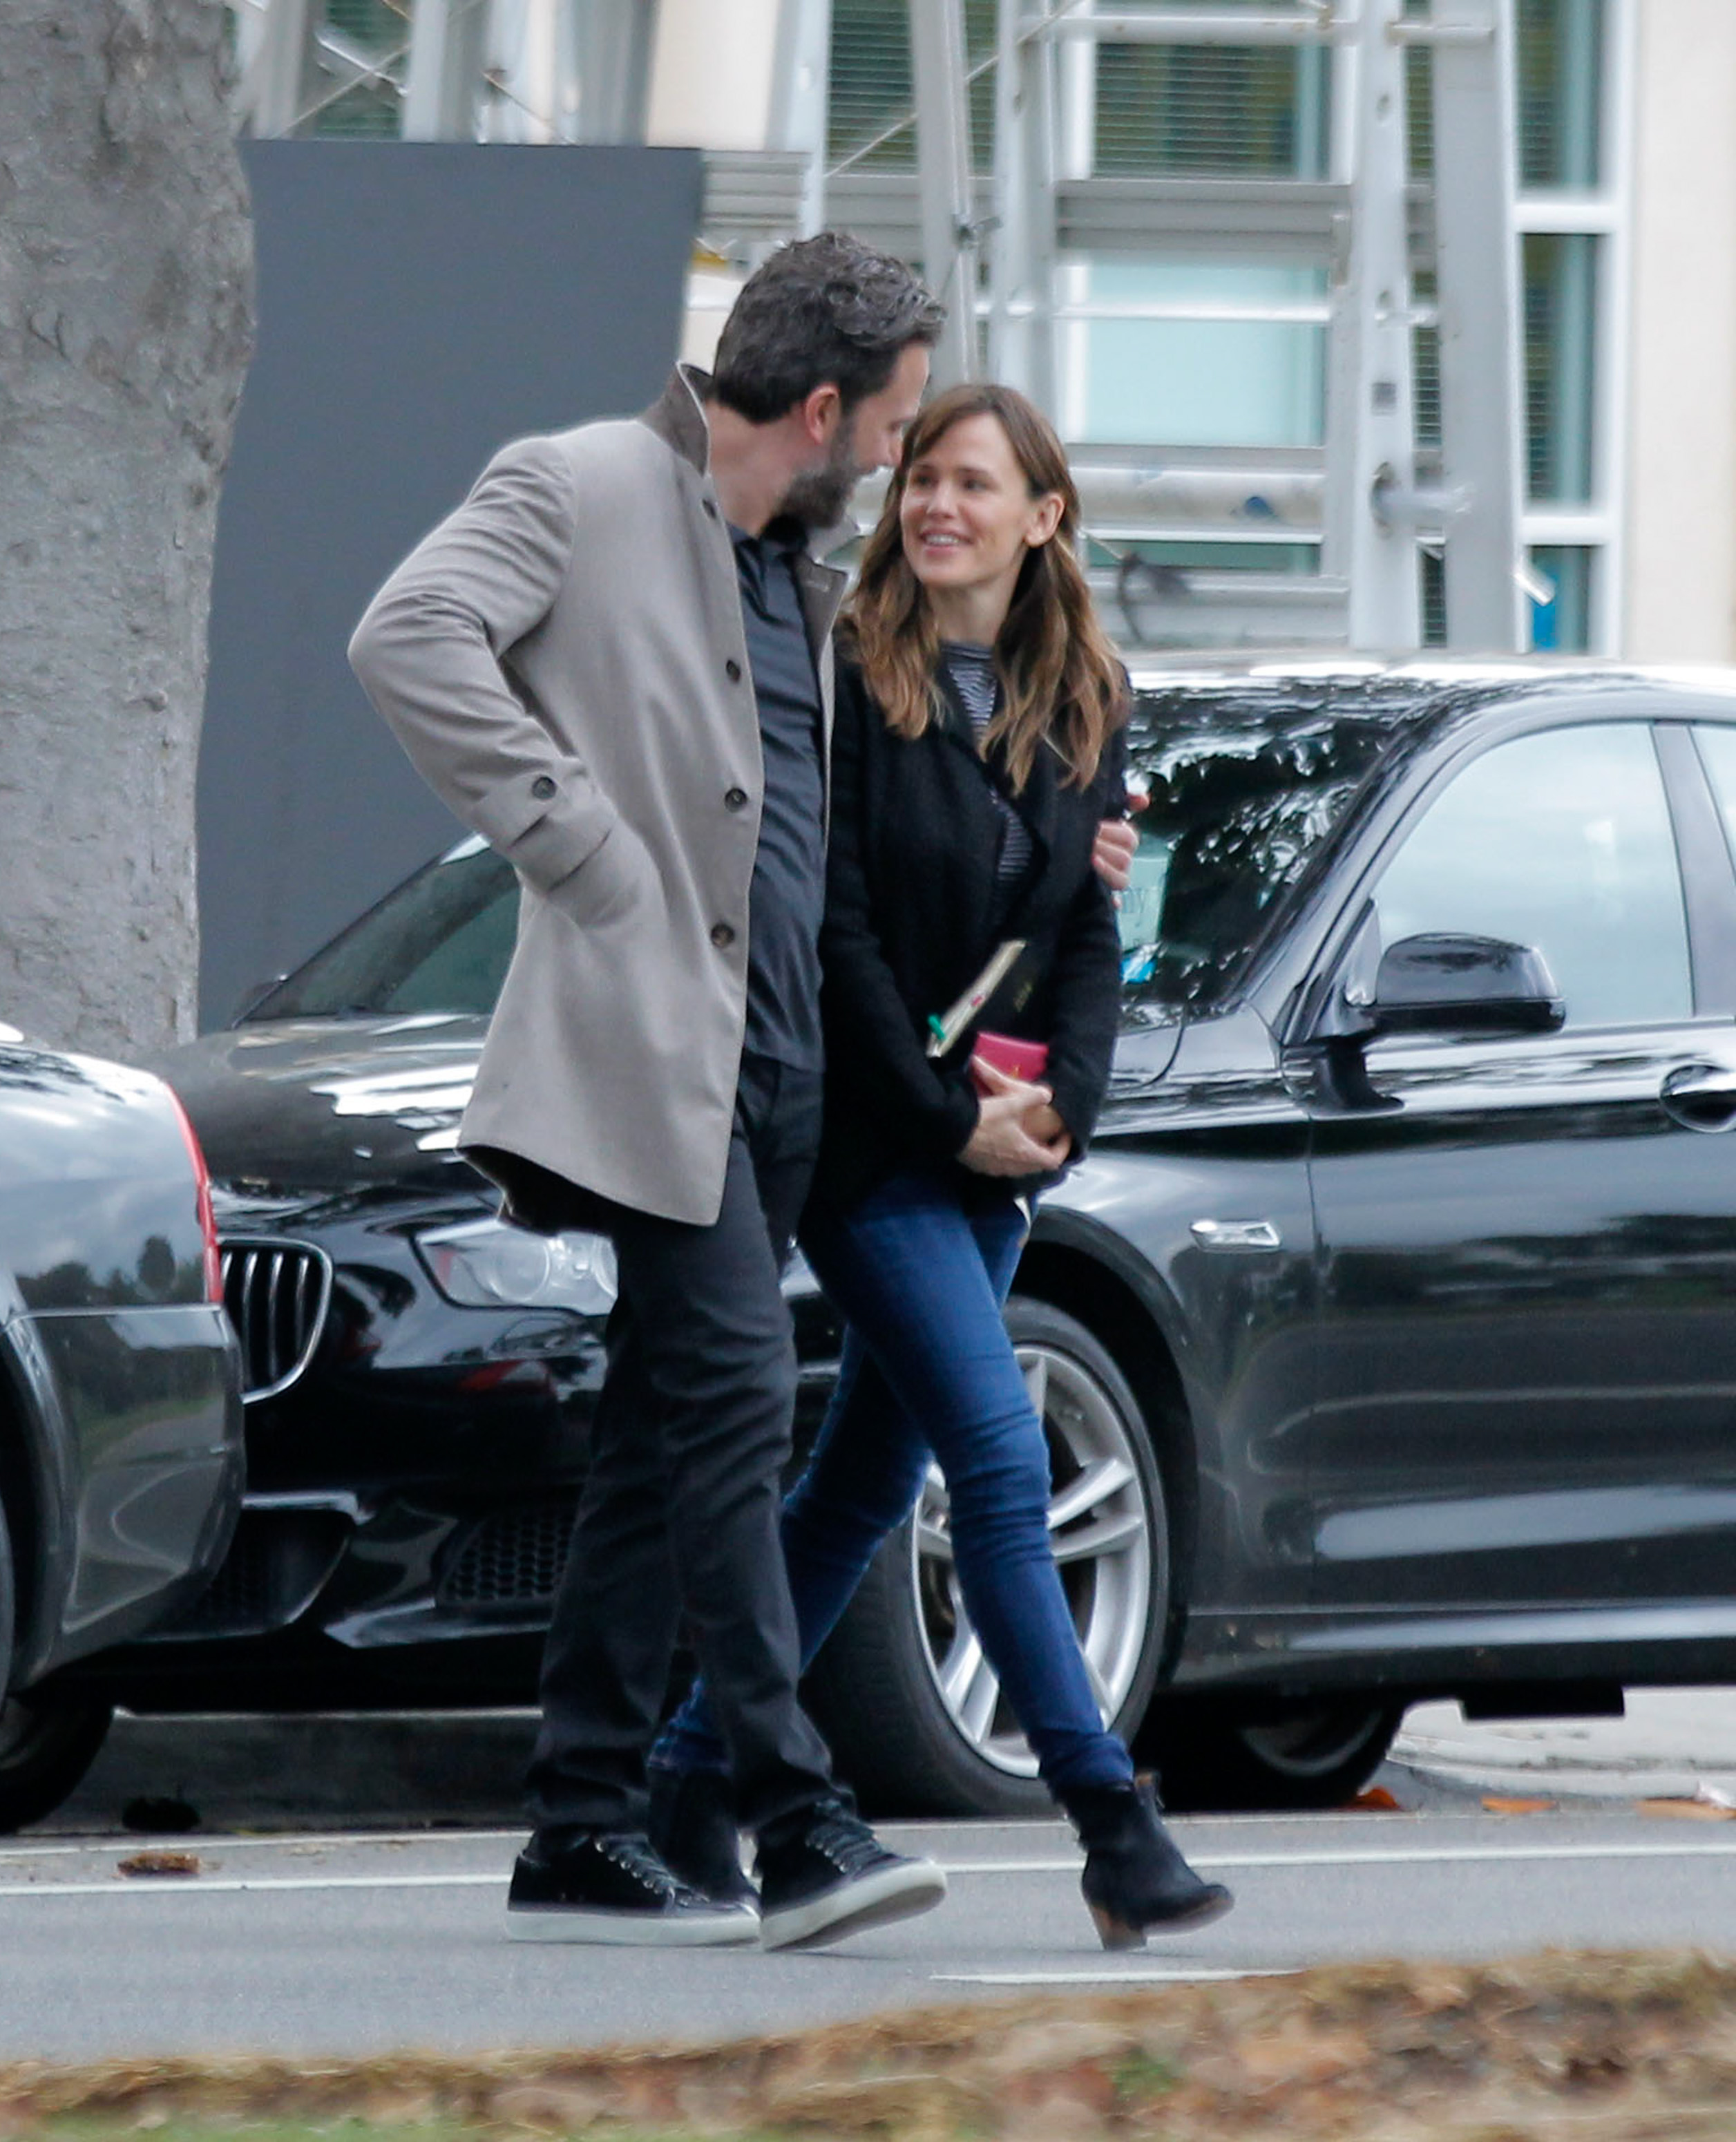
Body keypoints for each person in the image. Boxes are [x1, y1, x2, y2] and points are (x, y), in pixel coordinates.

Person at [347, 233, 955, 1951]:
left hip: (774, 1084)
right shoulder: (581, 479)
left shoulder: (791, 569)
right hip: (640, 1061)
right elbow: (407, 636)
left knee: (653, 1440)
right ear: (820, 408)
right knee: (739, 1399)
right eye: (897, 428)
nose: (904, 464)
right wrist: (576, 845)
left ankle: (581, 1818)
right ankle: (798, 1810)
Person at [646, 383, 1233, 1951]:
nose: (933, 506)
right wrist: (933, 1113)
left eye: (972, 484)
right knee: (993, 1451)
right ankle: (1110, 1819)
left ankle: (691, 1778)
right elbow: (825, 930)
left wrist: (1070, 1114)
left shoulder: (1082, 692)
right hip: (862, 1139)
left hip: (996, 1151)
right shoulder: (849, 673)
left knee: (856, 1484)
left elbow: (1084, 932)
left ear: (1042, 518)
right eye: (920, 479)